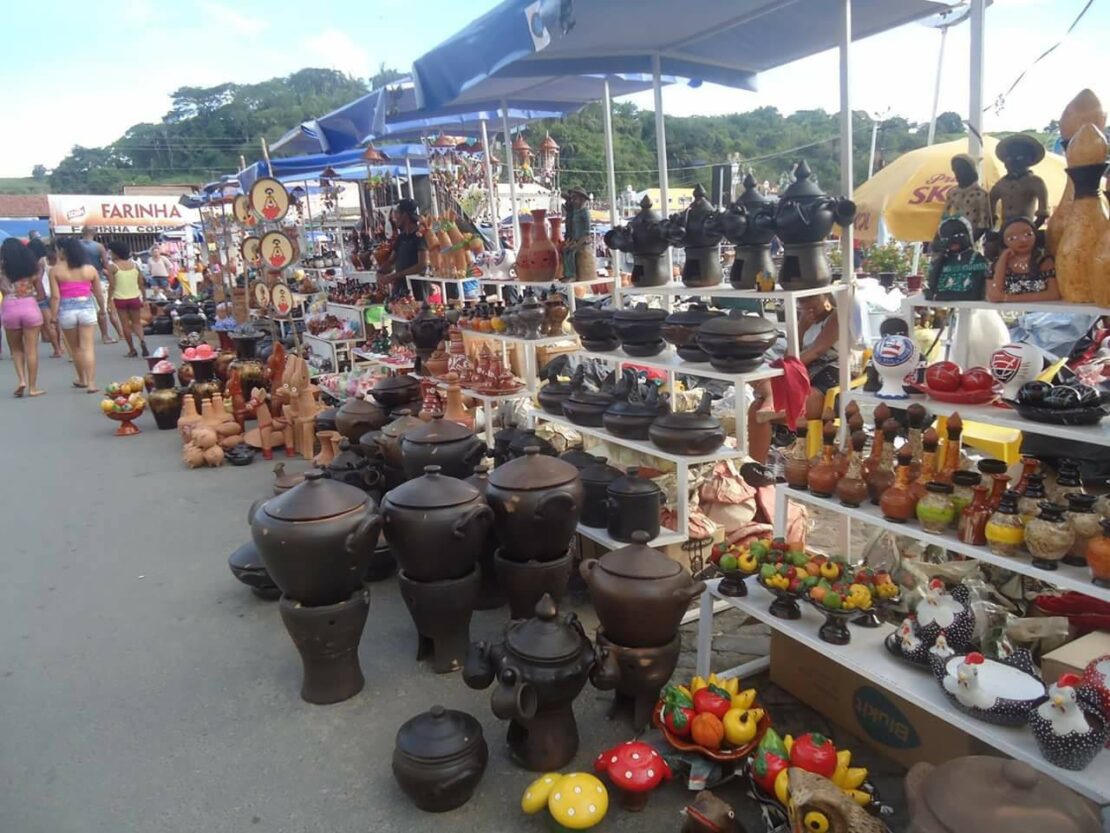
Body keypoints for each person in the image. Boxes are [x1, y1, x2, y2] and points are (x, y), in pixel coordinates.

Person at [747, 293, 840, 464]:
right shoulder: (806, 320)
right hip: (803, 377)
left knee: (765, 386)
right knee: (755, 404)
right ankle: (755, 469)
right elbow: (789, 354)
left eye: (812, 298)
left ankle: (771, 399)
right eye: (802, 300)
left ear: (826, 295)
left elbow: (817, 351)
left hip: (827, 382)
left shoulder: (837, 316)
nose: (807, 304)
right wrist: (801, 328)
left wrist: (783, 368)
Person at [51, 238, 103, 393]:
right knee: (88, 347)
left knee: (76, 349)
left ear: (62, 251)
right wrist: (103, 309)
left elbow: (55, 297)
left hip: (67, 310)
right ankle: (92, 383)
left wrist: (53, 316)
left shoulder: (55, 270)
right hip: (87, 307)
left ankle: (82, 379)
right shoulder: (90, 269)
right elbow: (98, 293)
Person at [0, 238, 45, 397]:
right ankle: (33, 387)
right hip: (29, 307)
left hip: (9, 308)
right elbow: (41, 295)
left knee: (16, 350)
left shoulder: (2, 271)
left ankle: (21, 380)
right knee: (31, 349)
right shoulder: (32, 269)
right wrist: (29, 297)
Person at [106, 240, 149, 358]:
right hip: (134, 298)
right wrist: (144, 298)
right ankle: (142, 340)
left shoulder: (112, 267)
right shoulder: (135, 265)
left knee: (125, 325)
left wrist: (109, 300)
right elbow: (141, 283)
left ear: (116, 253)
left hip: (120, 299)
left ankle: (132, 349)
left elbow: (112, 286)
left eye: (111, 252)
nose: (110, 254)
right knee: (137, 323)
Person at [78, 227, 122, 344]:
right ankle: (107, 335)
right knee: (104, 308)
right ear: (94, 233)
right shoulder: (99, 247)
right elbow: (106, 264)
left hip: (80, 279)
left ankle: (82, 338)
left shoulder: (76, 245)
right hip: (98, 278)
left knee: (83, 309)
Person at [377, 200, 428, 300]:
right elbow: (391, 261)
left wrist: (394, 276)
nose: (394, 218)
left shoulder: (420, 235)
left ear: (404, 215)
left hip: (417, 290)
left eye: (396, 213)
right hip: (401, 290)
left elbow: (422, 266)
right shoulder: (401, 237)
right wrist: (380, 272)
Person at [26, 237, 63, 358]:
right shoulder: (59, 259)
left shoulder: (41, 262)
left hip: (45, 294)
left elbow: (38, 278)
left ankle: (57, 349)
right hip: (57, 292)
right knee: (56, 322)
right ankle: (62, 346)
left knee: (49, 323)